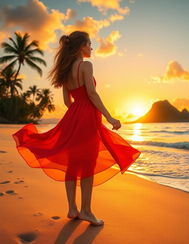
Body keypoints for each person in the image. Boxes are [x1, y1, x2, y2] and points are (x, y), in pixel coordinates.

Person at [12, 31, 141, 226]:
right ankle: (86, 211)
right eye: (89, 44)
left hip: (73, 117)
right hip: (87, 117)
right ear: (81, 46)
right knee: (88, 163)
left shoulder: (65, 70)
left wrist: (76, 116)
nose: (91, 47)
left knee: (73, 164)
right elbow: (91, 93)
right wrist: (109, 116)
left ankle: (72, 208)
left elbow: (67, 101)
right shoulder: (86, 65)